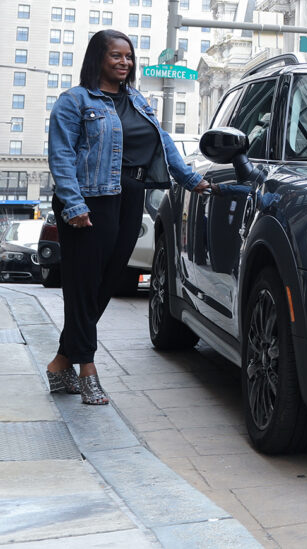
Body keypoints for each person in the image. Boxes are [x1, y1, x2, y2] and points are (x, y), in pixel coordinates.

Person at [44, 30, 209, 405]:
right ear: (98, 59)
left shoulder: (137, 100)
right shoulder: (75, 101)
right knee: (84, 284)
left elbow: (163, 142)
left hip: (131, 195)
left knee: (107, 282)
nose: (125, 62)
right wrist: (73, 204)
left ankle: (60, 362)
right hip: (90, 198)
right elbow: (61, 155)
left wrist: (191, 179)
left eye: (129, 56)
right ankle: (87, 369)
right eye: (116, 55)